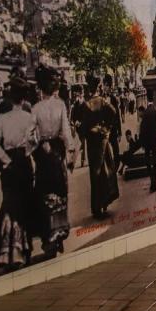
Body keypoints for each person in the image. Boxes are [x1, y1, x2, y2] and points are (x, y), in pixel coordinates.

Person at [0, 78, 38, 270]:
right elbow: (35, 141)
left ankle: (6, 252)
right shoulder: (28, 117)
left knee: (9, 205)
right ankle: (24, 250)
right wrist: (26, 153)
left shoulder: (2, 118)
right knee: (24, 205)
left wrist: (6, 161)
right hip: (24, 164)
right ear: (24, 97)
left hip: (9, 165)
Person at [31, 67, 73, 257]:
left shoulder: (36, 108)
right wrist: (70, 152)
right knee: (60, 191)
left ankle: (48, 236)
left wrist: (38, 147)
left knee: (44, 193)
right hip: (57, 151)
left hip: (42, 152)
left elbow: (31, 136)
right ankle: (59, 233)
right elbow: (66, 132)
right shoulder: (61, 105)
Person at [79, 76, 120, 218]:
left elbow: (83, 127)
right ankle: (105, 201)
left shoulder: (86, 104)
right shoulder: (102, 101)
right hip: (103, 139)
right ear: (98, 87)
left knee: (94, 172)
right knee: (105, 169)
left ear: (89, 89)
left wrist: (85, 132)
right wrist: (106, 128)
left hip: (92, 141)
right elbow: (114, 112)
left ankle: (96, 207)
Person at [140, 90, 156, 192]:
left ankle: (151, 178)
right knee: (155, 160)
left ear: (147, 98)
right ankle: (154, 182)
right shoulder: (155, 111)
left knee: (147, 160)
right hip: (154, 140)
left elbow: (142, 129)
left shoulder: (146, 112)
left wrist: (142, 141)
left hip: (147, 141)